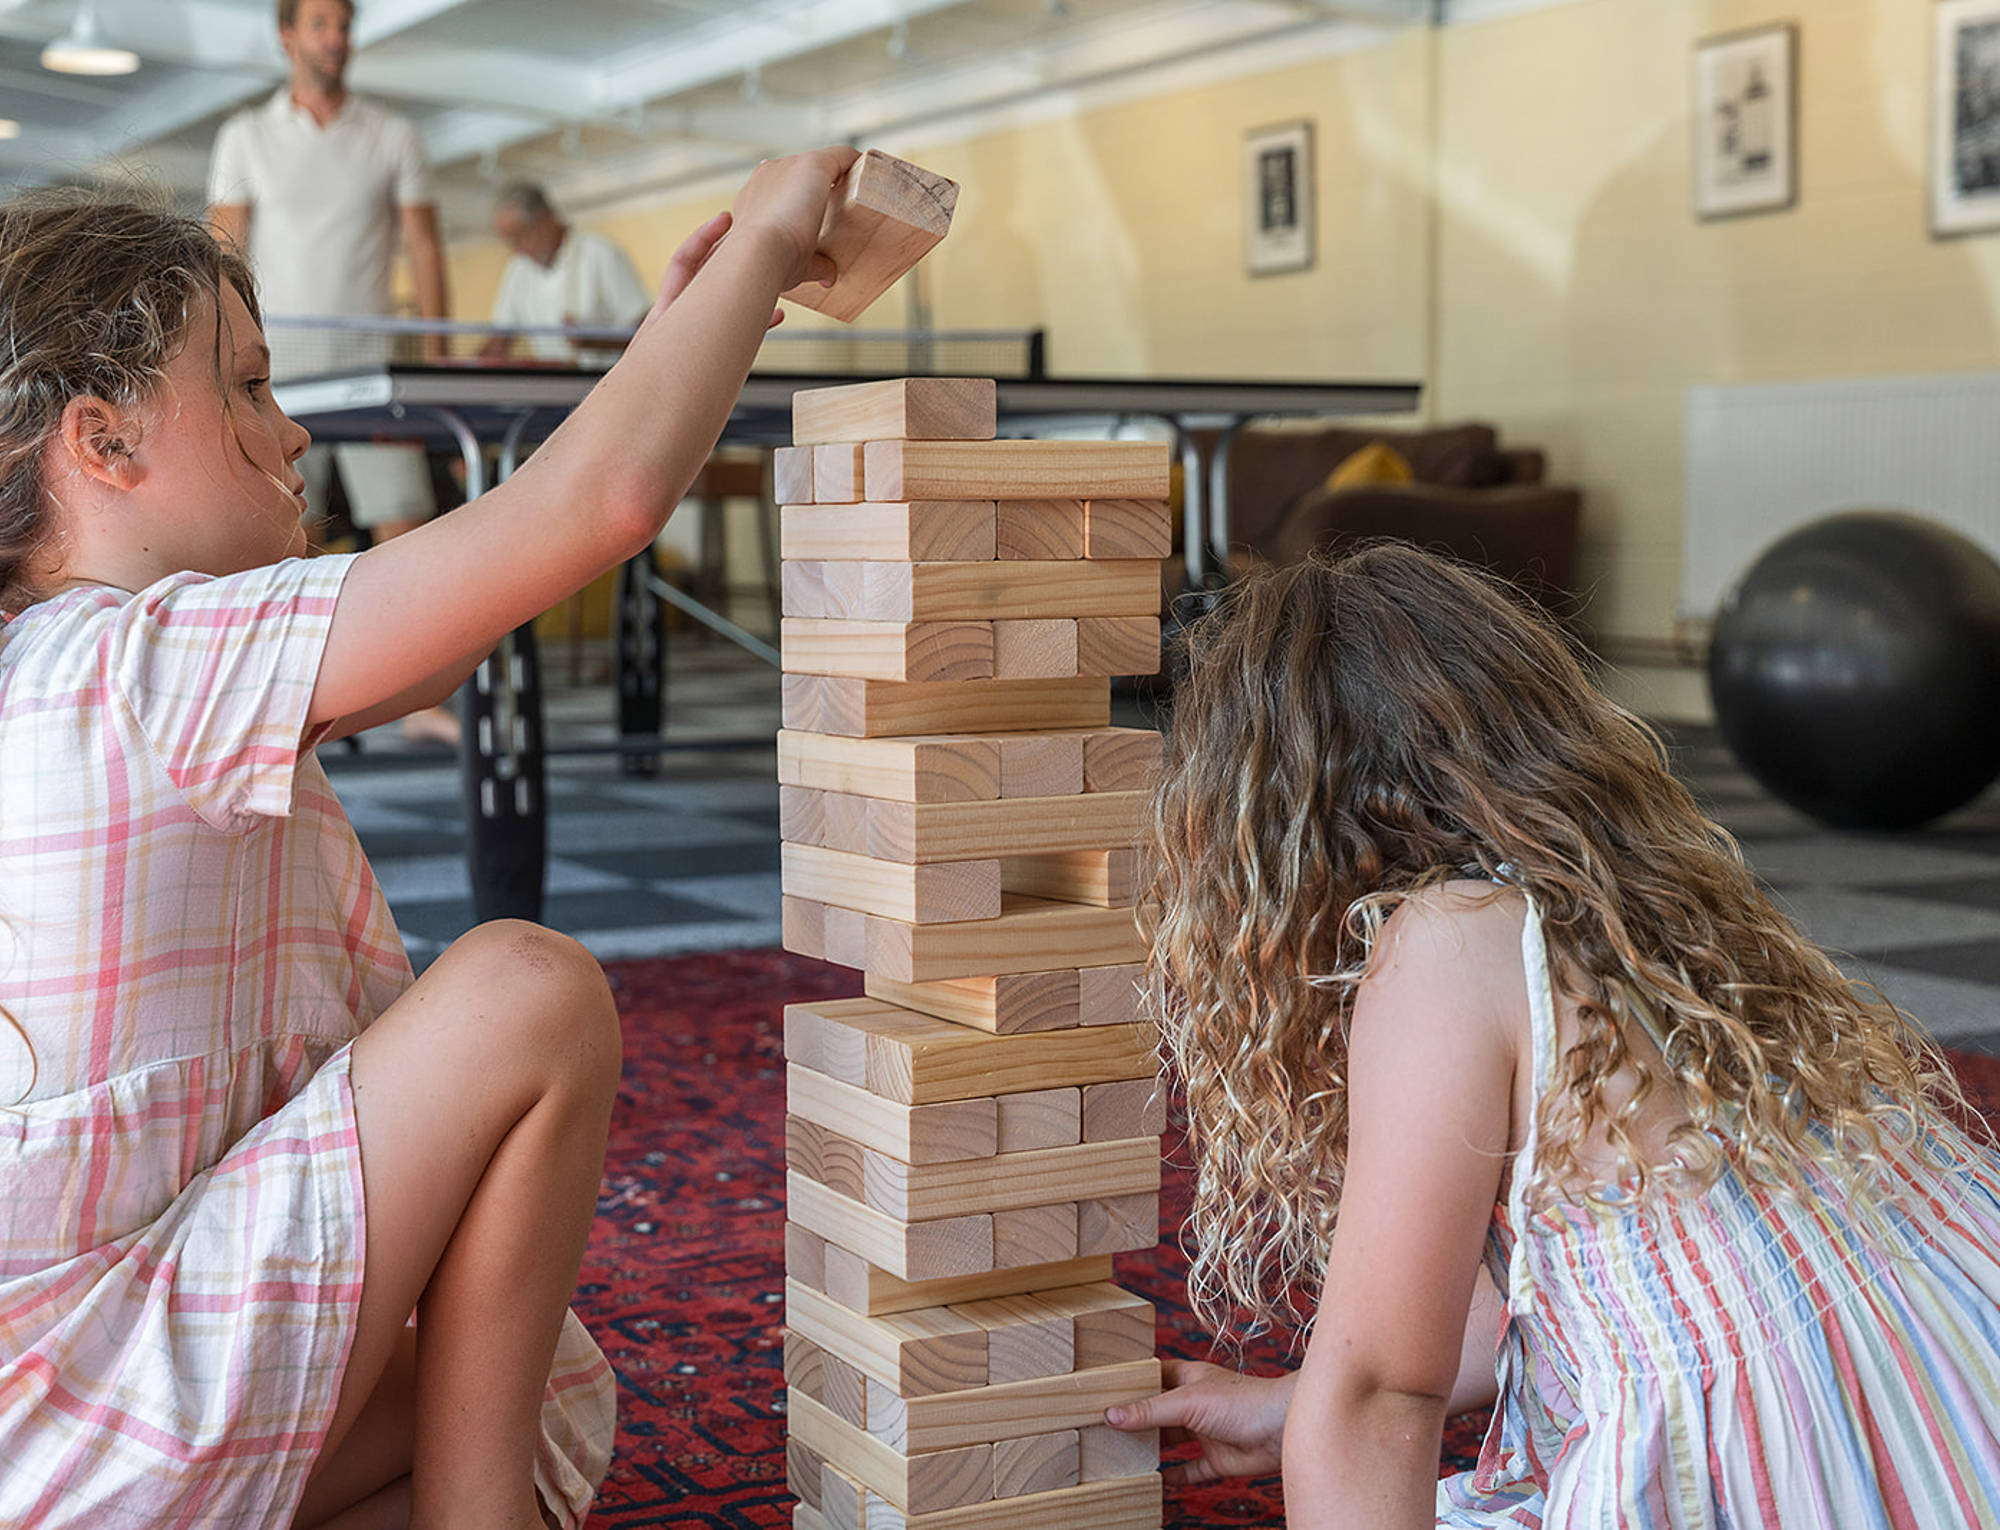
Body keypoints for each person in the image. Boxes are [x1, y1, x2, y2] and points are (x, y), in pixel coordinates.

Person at [0, 147, 849, 1529]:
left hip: (47, 1445)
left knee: (461, 1388)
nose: (294, 435)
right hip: (102, 1418)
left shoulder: (51, 666)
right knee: (529, 989)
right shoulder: (142, 664)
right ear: (103, 444)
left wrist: (689, 328)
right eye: (252, 385)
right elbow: (599, 508)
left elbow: (438, 651)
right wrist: (756, 256)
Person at [1102, 545, 2000, 1527]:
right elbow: (1600, 1274)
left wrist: (1319, 1411)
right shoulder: (1642, 902)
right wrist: (1285, 1407)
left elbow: (1374, 1396)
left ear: (1267, 824)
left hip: (1781, 1471)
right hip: (1943, 1400)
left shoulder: (1444, 945)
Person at [208, 0, 456, 744]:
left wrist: (438, 355)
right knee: (289, 526)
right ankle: (297, 696)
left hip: (375, 366)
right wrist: (220, 365)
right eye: (320, 24)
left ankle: (417, 698)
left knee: (403, 525)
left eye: (344, 25)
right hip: (278, 369)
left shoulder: (394, 134)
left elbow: (423, 247)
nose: (336, 38)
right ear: (288, 36)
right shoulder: (245, 135)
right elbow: (221, 253)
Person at [482, 183, 653, 369]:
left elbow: (647, 330)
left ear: (547, 219)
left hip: (610, 383)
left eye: (521, 236)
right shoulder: (518, 270)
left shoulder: (600, 254)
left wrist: (595, 342)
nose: (516, 249)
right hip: (554, 390)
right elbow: (499, 340)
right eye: (509, 241)